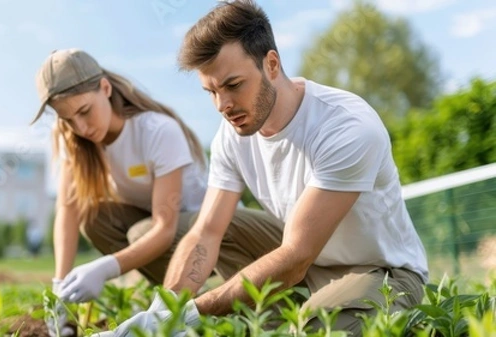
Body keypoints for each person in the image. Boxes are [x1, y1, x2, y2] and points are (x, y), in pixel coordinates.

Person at [100, 1, 429, 336]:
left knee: (317, 326)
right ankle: (263, 313)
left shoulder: (345, 128)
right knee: (195, 228)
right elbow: (207, 233)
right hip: (307, 263)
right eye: (211, 91)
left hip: (380, 272)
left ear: (271, 64)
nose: (222, 105)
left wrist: (195, 311)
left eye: (233, 85)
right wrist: (167, 311)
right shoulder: (232, 135)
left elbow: (296, 255)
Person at [31, 48, 208, 337]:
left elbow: (164, 228)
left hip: (206, 232)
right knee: (95, 216)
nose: (81, 127)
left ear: (105, 87)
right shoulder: (72, 140)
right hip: (154, 229)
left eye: (85, 111)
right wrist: (59, 287)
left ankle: (184, 302)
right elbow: (68, 209)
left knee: (143, 231)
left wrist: (107, 268)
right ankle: (168, 297)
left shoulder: (156, 131)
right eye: (68, 119)